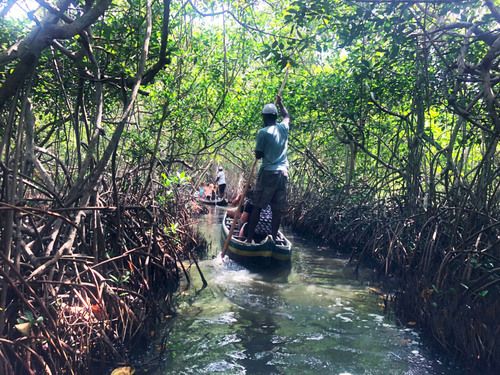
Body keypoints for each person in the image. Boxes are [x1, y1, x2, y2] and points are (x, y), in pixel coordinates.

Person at [245, 95, 290, 243]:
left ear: (264, 117)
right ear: (275, 116)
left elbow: (258, 155)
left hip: (268, 173)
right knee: (277, 210)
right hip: (283, 174)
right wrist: (281, 104)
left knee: (257, 206)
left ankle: (249, 239)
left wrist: (262, 150)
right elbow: (287, 115)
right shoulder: (284, 127)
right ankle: (273, 239)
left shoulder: (263, 132)